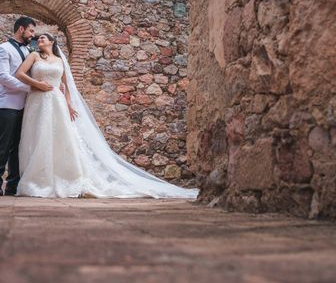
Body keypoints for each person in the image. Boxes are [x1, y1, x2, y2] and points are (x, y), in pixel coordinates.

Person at [14, 33, 199, 199]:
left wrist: (69, 105)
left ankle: (64, 177)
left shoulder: (60, 60)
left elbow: (67, 86)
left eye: (43, 38)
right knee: (38, 137)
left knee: (60, 138)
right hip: (38, 101)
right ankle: (38, 180)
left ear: (52, 41)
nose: (39, 40)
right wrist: (37, 84)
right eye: (38, 39)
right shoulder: (34, 56)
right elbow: (20, 73)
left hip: (57, 102)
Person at [0, 16, 40, 196]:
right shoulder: (2, 49)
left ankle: (13, 184)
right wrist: (30, 88)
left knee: (19, 146)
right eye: (31, 31)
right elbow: (3, 77)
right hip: (7, 104)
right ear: (21, 29)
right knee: (2, 144)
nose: (33, 35)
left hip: (27, 106)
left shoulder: (29, 52)